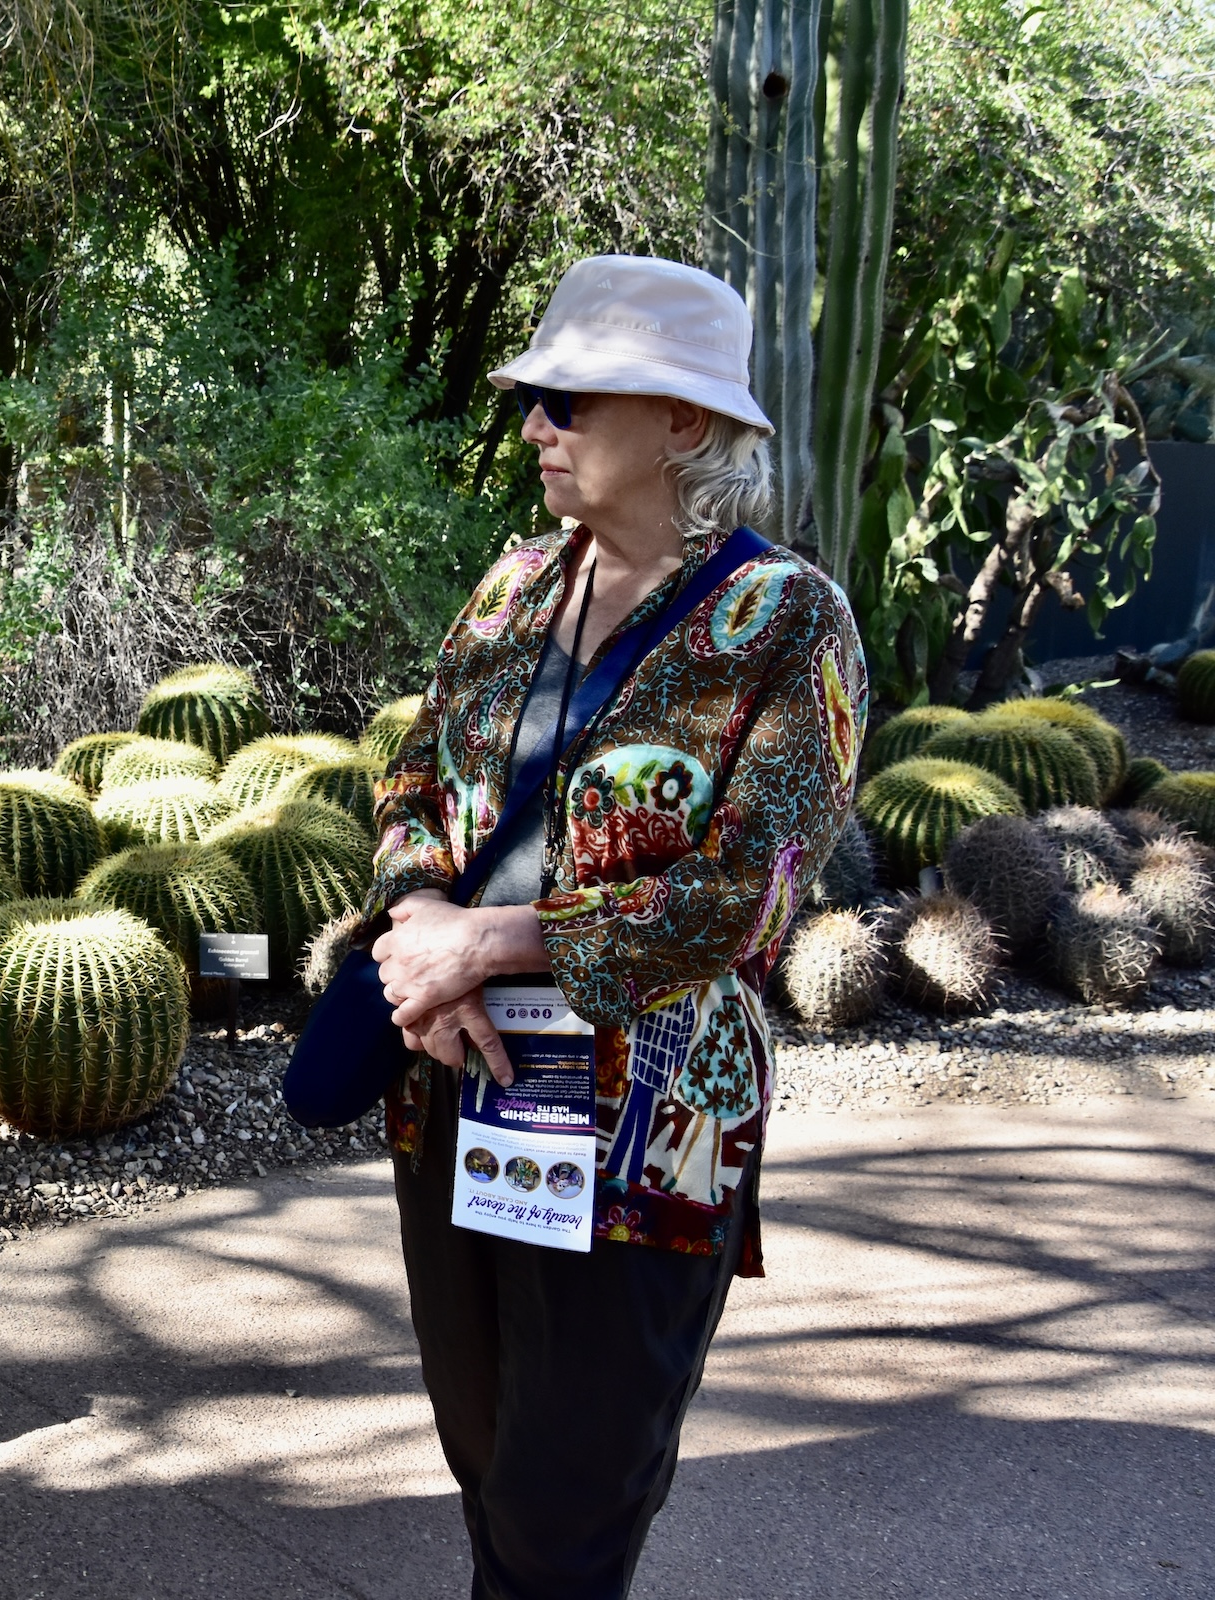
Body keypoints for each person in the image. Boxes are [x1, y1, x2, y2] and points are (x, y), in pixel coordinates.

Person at [364, 255, 867, 1598]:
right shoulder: (513, 586)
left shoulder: (786, 621)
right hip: (460, 1085)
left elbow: (749, 890)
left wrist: (500, 944)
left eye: (570, 399)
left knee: (566, 1506)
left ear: (683, 428)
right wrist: (421, 919)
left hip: (648, 1130)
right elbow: (413, 781)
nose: (536, 424)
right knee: (488, 1470)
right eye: (537, 397)